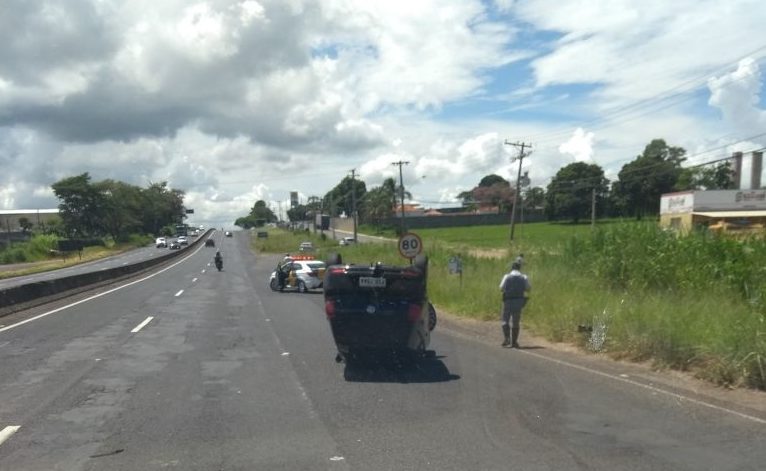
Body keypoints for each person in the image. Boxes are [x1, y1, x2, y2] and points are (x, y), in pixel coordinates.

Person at [499, 261, 531, 348]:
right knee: (516, 321)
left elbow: (501, 288)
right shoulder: (524, 277)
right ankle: (514, 341)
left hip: (508, 301)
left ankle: (507, 339)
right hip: (519, 301)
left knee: (505, 320)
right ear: (519, 268)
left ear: (511, 268)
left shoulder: (507, 276)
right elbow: (528, 288)